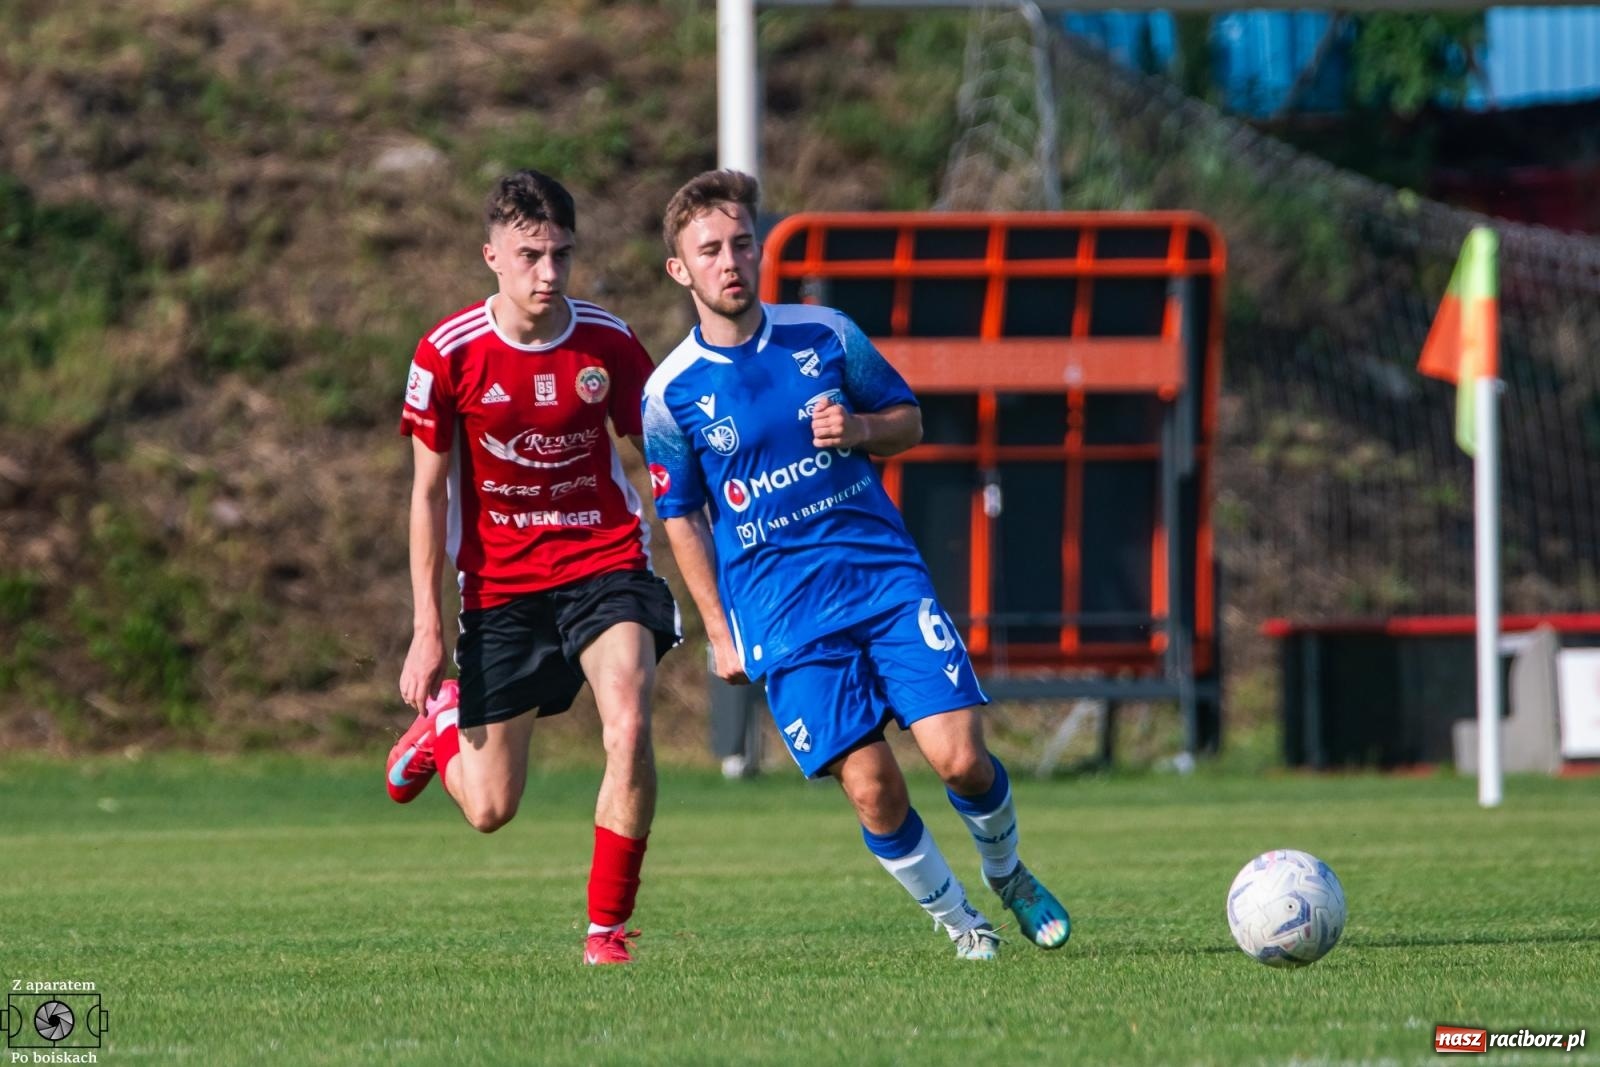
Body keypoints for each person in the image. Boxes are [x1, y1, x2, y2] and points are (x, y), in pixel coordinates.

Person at [642, 170, 1070, 960]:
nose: (730, 261)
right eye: (709, 250)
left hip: (882, 581)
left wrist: (863, 429)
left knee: (963, 759)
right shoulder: (669, 394)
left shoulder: (826, 333)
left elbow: (908, 419)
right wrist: (719, 633)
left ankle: (1008, 875)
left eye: (741, 242)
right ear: (681, 270)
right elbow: (682, 519)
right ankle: (961, 923)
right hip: (784, 613)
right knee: (874, 786)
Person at [388, 169, 680, 966]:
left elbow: (658, 459)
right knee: (489, 808)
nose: (548, 274)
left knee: (629, 720)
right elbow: (427, 496)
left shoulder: (609, 343)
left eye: (560, 255)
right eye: (529, 256)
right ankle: (446, 721)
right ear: (492, 256)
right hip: (503, 589)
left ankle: (606, 931)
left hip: (605, 563)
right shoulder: (448, 354)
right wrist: (426, 631)